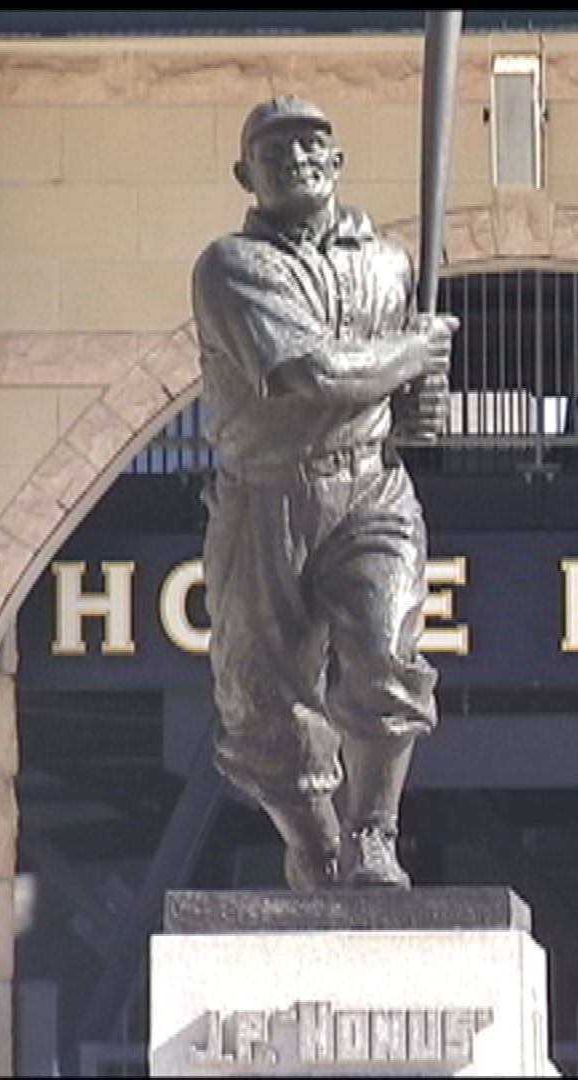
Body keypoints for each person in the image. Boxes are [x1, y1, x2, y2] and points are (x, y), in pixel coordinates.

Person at [191, 95, 455, 890]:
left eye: (314, 143)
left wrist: (422, 393)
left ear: (338, 161)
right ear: (247, 174)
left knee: (385, 660)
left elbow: (399, 404)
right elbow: (307, 375)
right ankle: (317, 844)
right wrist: (415, 351)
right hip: (263, 500)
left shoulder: (391, 263)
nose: (298, 157)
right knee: (264, 712)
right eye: (275, 149)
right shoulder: (233, 266)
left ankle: (374, 834)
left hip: (370, 489)